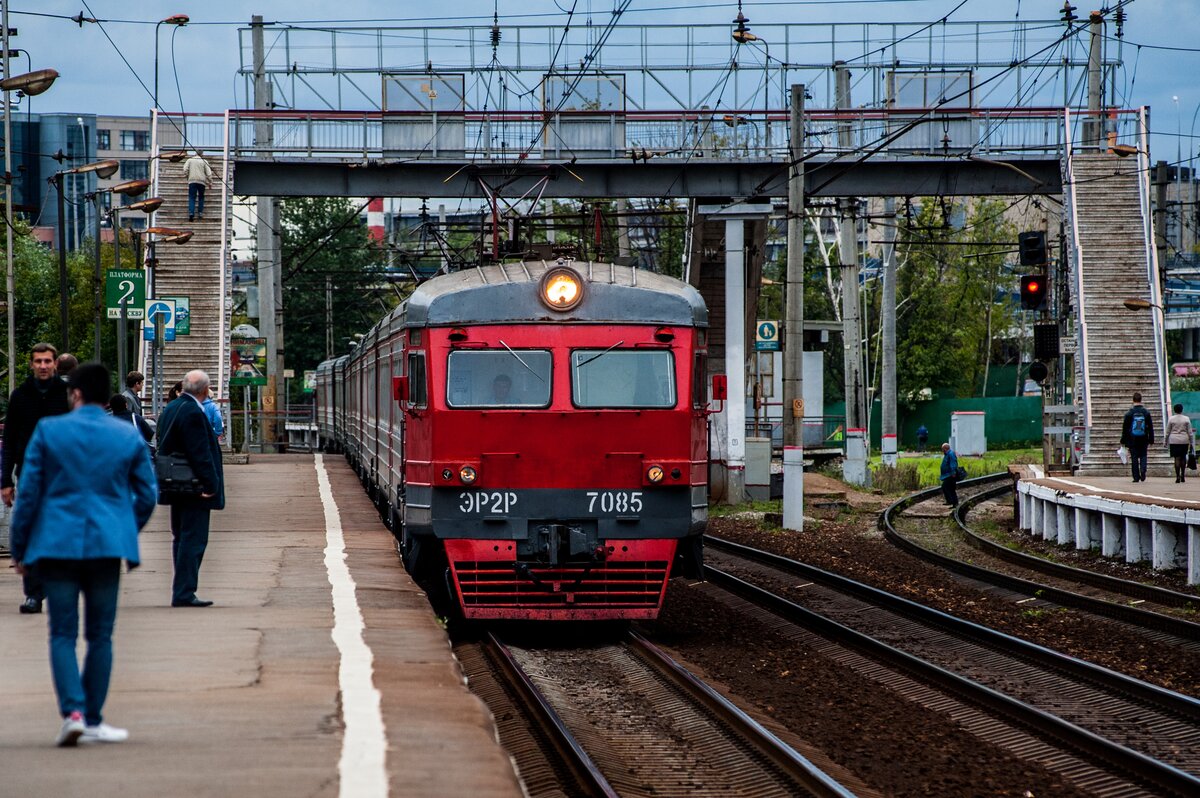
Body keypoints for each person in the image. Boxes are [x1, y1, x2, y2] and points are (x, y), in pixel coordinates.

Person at [8, 362, 157, 747]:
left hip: (55, 546)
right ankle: (93, 719)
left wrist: (21, 548)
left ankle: (72, 712)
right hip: (107, 547)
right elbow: (147, 494)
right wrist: (123, 530)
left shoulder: (49, 431)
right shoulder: (125, 434)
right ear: (108, 396)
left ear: (73, 393)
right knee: (100, 636)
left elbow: (28, 496)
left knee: (61, 633)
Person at [2, 342, 71, 614]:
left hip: (60, 477)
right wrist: (5, 480)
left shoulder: (65, 395)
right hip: (28, 474)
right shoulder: (20, 396)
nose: (43, 366)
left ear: (55, 364)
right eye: (38, 361)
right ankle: (33, 593)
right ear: (31, 364)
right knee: (30, 532)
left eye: (47, 361)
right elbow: (9, 441)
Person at [156, 370, 225, 608]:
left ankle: (181, 590)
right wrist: (210, 484)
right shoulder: (193, 412)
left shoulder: (171, 408)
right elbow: (200, 453)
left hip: (175, 484)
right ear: (205, 390)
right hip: (193, 486)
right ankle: (185, 592)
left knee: (181, 538)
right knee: (193, 540)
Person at [1121, 392, 1154, 483]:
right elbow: (1150, 427)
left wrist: (1123, 440)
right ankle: (1143, 470)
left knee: (1134, 458)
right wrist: (1151, 439)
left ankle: (1136, 477)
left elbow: (1125, 428)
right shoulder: (1146, 412)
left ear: (1133, 400)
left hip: (1132, 439)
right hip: (1144, 438)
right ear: (1141, 400)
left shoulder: (1129, 413)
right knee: (1143, 455)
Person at [1165, 403, 1194, 484]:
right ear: (1182, 410)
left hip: (1174, 440)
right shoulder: (1186, 419)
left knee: (1177, 458)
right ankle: (1183, 476)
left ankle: (1177, 476)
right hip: (1184, 440)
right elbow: (1190, 432)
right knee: (1183, 457)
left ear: (1174, 410)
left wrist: (1166, 441)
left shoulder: (1171, 419)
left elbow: (1168, 432)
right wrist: (1191, 442)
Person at [184, 151, 213, 222]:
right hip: (201, 182)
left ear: (195, 153)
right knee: (201, 197)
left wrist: (187, 176)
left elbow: (185, 169)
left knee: (192, 197)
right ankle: (200, 213)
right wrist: (210, 182)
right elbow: (209, 173)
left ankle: (191, 213)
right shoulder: (204, 161)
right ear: (202, 154)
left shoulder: (190, 160)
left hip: (192, 181)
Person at [939, 442, 960, 507]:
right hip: (947, 474)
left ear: (945, 448)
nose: (942, 451)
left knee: (948, 487)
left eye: (942, 449)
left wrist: (953, 472)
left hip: (950, 474)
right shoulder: (947, 454)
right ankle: (951, 501)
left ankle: (953, 502)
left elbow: (953, 464)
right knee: (948, 488)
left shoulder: (950, 454)